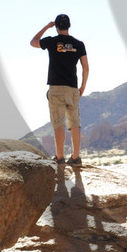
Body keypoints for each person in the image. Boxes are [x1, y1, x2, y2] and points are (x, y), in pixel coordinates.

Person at [30, 14, 88, 166]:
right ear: (69, 25)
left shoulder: (51, 41)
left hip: (56, 89)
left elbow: (33, 42)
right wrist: (82, 87)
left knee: (58, 124)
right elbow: (86, 67)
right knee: (75, 124)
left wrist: (46, 26)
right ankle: (76, 157)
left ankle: (60, 158)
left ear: (56, 26)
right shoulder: (79, 44)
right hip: (72, 89)